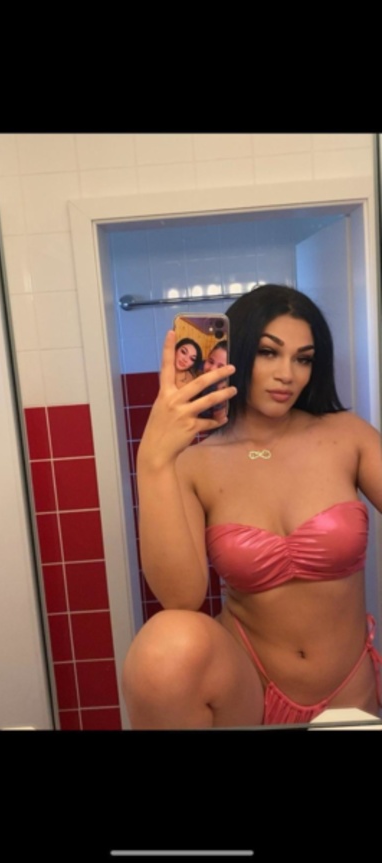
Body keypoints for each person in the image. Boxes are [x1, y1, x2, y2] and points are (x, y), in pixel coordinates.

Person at [122, 284, 382, 728]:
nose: (287, 374)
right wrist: (154, 461)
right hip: (249, 692)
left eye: (303, 359)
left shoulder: (347, 435)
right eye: (268, 352)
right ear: (237, 352)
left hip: (349, 692)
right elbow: (180, 598)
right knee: (165, 642)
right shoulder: (195, 464)